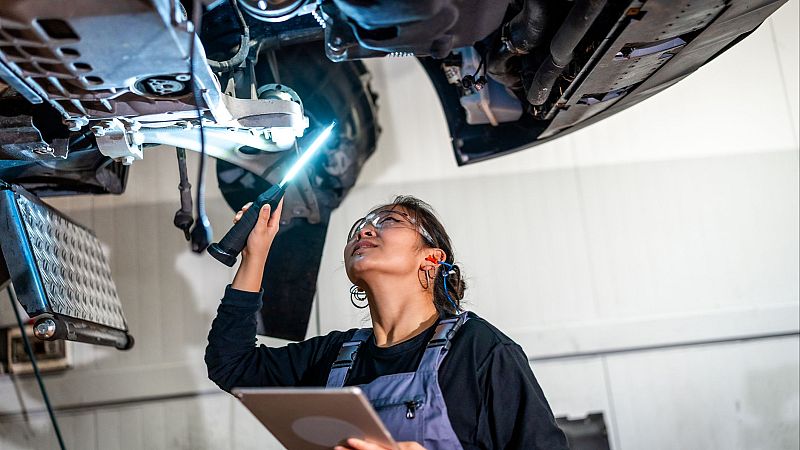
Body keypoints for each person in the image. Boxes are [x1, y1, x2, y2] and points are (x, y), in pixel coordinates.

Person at [205, 195, 569, 450]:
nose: (363, 232)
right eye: (359, 228)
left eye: (388, 222)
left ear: (431, 258)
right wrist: (255, 255)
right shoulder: (334, 355)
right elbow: (231, 365)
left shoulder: (480, 350)